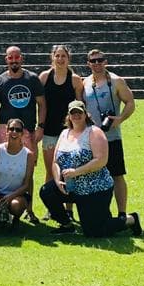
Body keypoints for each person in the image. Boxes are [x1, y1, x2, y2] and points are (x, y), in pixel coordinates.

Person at [40, 101, 141, 238]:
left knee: (94, 231)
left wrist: (76, 172)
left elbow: (101, 160)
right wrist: (58, 181)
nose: (76, 115)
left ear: (86, 114)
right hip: (72, 187)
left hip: (94, 188)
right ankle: (66, 225)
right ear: (69, 116)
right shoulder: (64, 133)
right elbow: (55, 161)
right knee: (47, 191)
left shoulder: (94, 132)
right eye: (73, 113)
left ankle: (131, 219)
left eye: (79, 112)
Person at [82, 49, 136, 218]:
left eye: (100, 60)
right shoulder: (85, 83)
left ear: (105, 61)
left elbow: (130, 102)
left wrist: (120, 119)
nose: (97, 63)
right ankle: (98, 212)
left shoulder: (116, 81)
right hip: (92, 138)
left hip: (112, 137)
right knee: (92, 175)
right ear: (88, 64)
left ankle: (122, 213)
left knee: (117, 175)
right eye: (93, 61)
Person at [38, 45, 84, 192]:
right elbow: (40, 104)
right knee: (50, 171)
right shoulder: (44, 77)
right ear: (52, 58)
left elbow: (81, 106)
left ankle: (69, 204)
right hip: (49, 130)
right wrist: (39, 126)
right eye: (57, 56)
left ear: (68, 58)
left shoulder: (75, 80)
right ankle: (50, 203)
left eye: (63, 56)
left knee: (69, 171)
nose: (60, 59)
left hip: (69, 132)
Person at [0, 46, 45, 155]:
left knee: (28, 162)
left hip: (27, 129)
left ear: (21, 58)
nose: (14, 60)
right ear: (6, 59)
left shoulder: (33, 79)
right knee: (3, 162)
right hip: (5, 130)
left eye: (17, 57)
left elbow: (42, 104)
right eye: (10, 58)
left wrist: (40, 127)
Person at [0, 119, 36, 226]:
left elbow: (27, 184)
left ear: (22, 133)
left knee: (15, 206)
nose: (14, 132)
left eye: (18, 130)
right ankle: (1, 215)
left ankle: (13, 216)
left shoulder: (29, 155)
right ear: (6, 131)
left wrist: (11, 196)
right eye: (11, 129)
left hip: (17, 194)